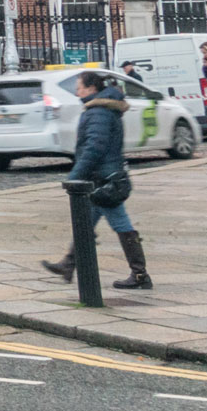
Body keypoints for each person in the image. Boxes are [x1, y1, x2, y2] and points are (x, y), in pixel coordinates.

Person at [42, 70, 151, 290]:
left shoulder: (98, 111)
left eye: (79, 86)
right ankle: (69, 263)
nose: (76, 90)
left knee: (119, 223)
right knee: (87, 221)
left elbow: (94, 147)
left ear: (92, 88)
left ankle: (140, 275)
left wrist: (75, 176)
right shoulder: (102, 108)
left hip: (104, 179)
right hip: (104, 177)